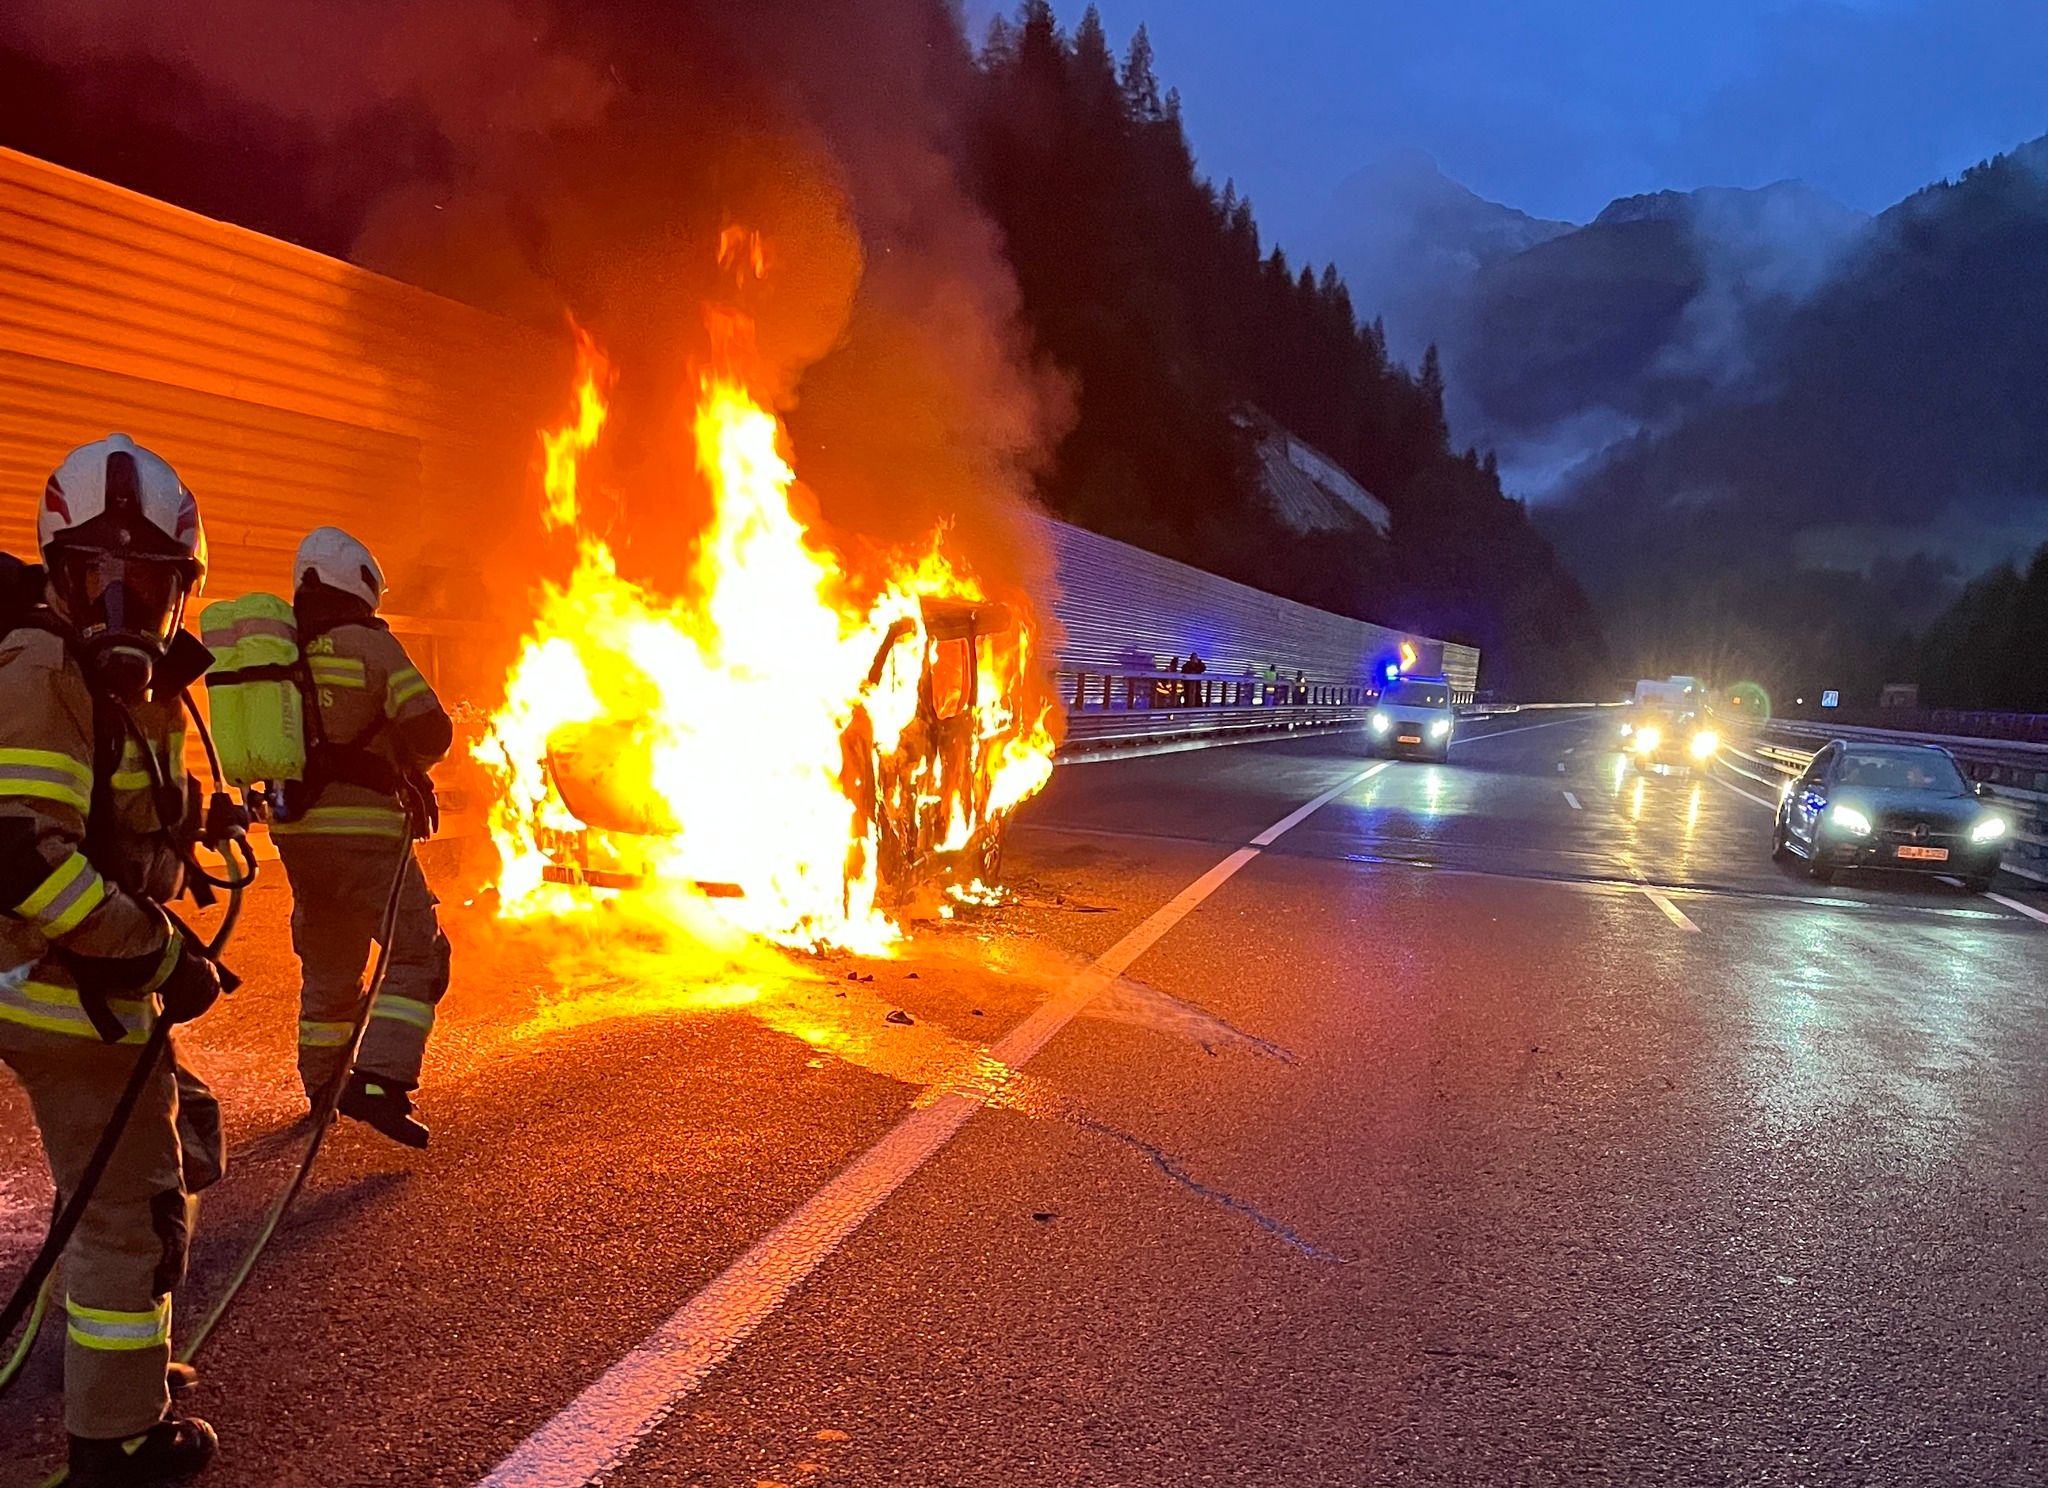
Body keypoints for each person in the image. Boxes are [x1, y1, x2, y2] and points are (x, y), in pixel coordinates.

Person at [0, 434, 227, 1484]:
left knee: (179, 1147)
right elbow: (22, 859)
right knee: (126, 1205)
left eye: (147, 581)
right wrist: (156, 952)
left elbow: (116, 809)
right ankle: (118, 1439)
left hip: (92, 985)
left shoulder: (114, 685)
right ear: (57, 571)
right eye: (101, 576)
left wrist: (199, 830)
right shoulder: (46, 668)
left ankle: (125, 1378)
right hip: (63, 992)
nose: (124, 605)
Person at [274, 527, 451, 1149]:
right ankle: (378, 1080)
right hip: (369, 836)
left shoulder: (281, 657)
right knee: (419, 953)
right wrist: (403, 764)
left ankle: (322, 1090)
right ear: (358, 580)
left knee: (331, 964)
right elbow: (432, 731)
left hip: (298, 838)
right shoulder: (373, 649)